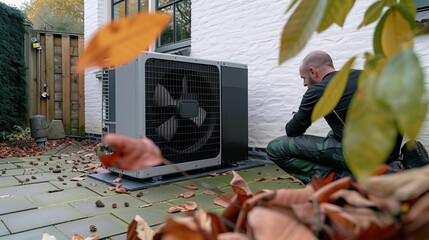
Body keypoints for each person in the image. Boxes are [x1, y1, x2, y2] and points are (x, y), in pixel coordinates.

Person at [266, 50, 402, 184]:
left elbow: (292, 131)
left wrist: (303, 111)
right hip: (390, 152)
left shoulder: (318, 90)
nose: (304, 84)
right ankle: (389, 167)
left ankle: (338, 180)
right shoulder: (365, 75)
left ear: (313, 71)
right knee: (333, 134)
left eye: (304, 78)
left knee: (275, 148)